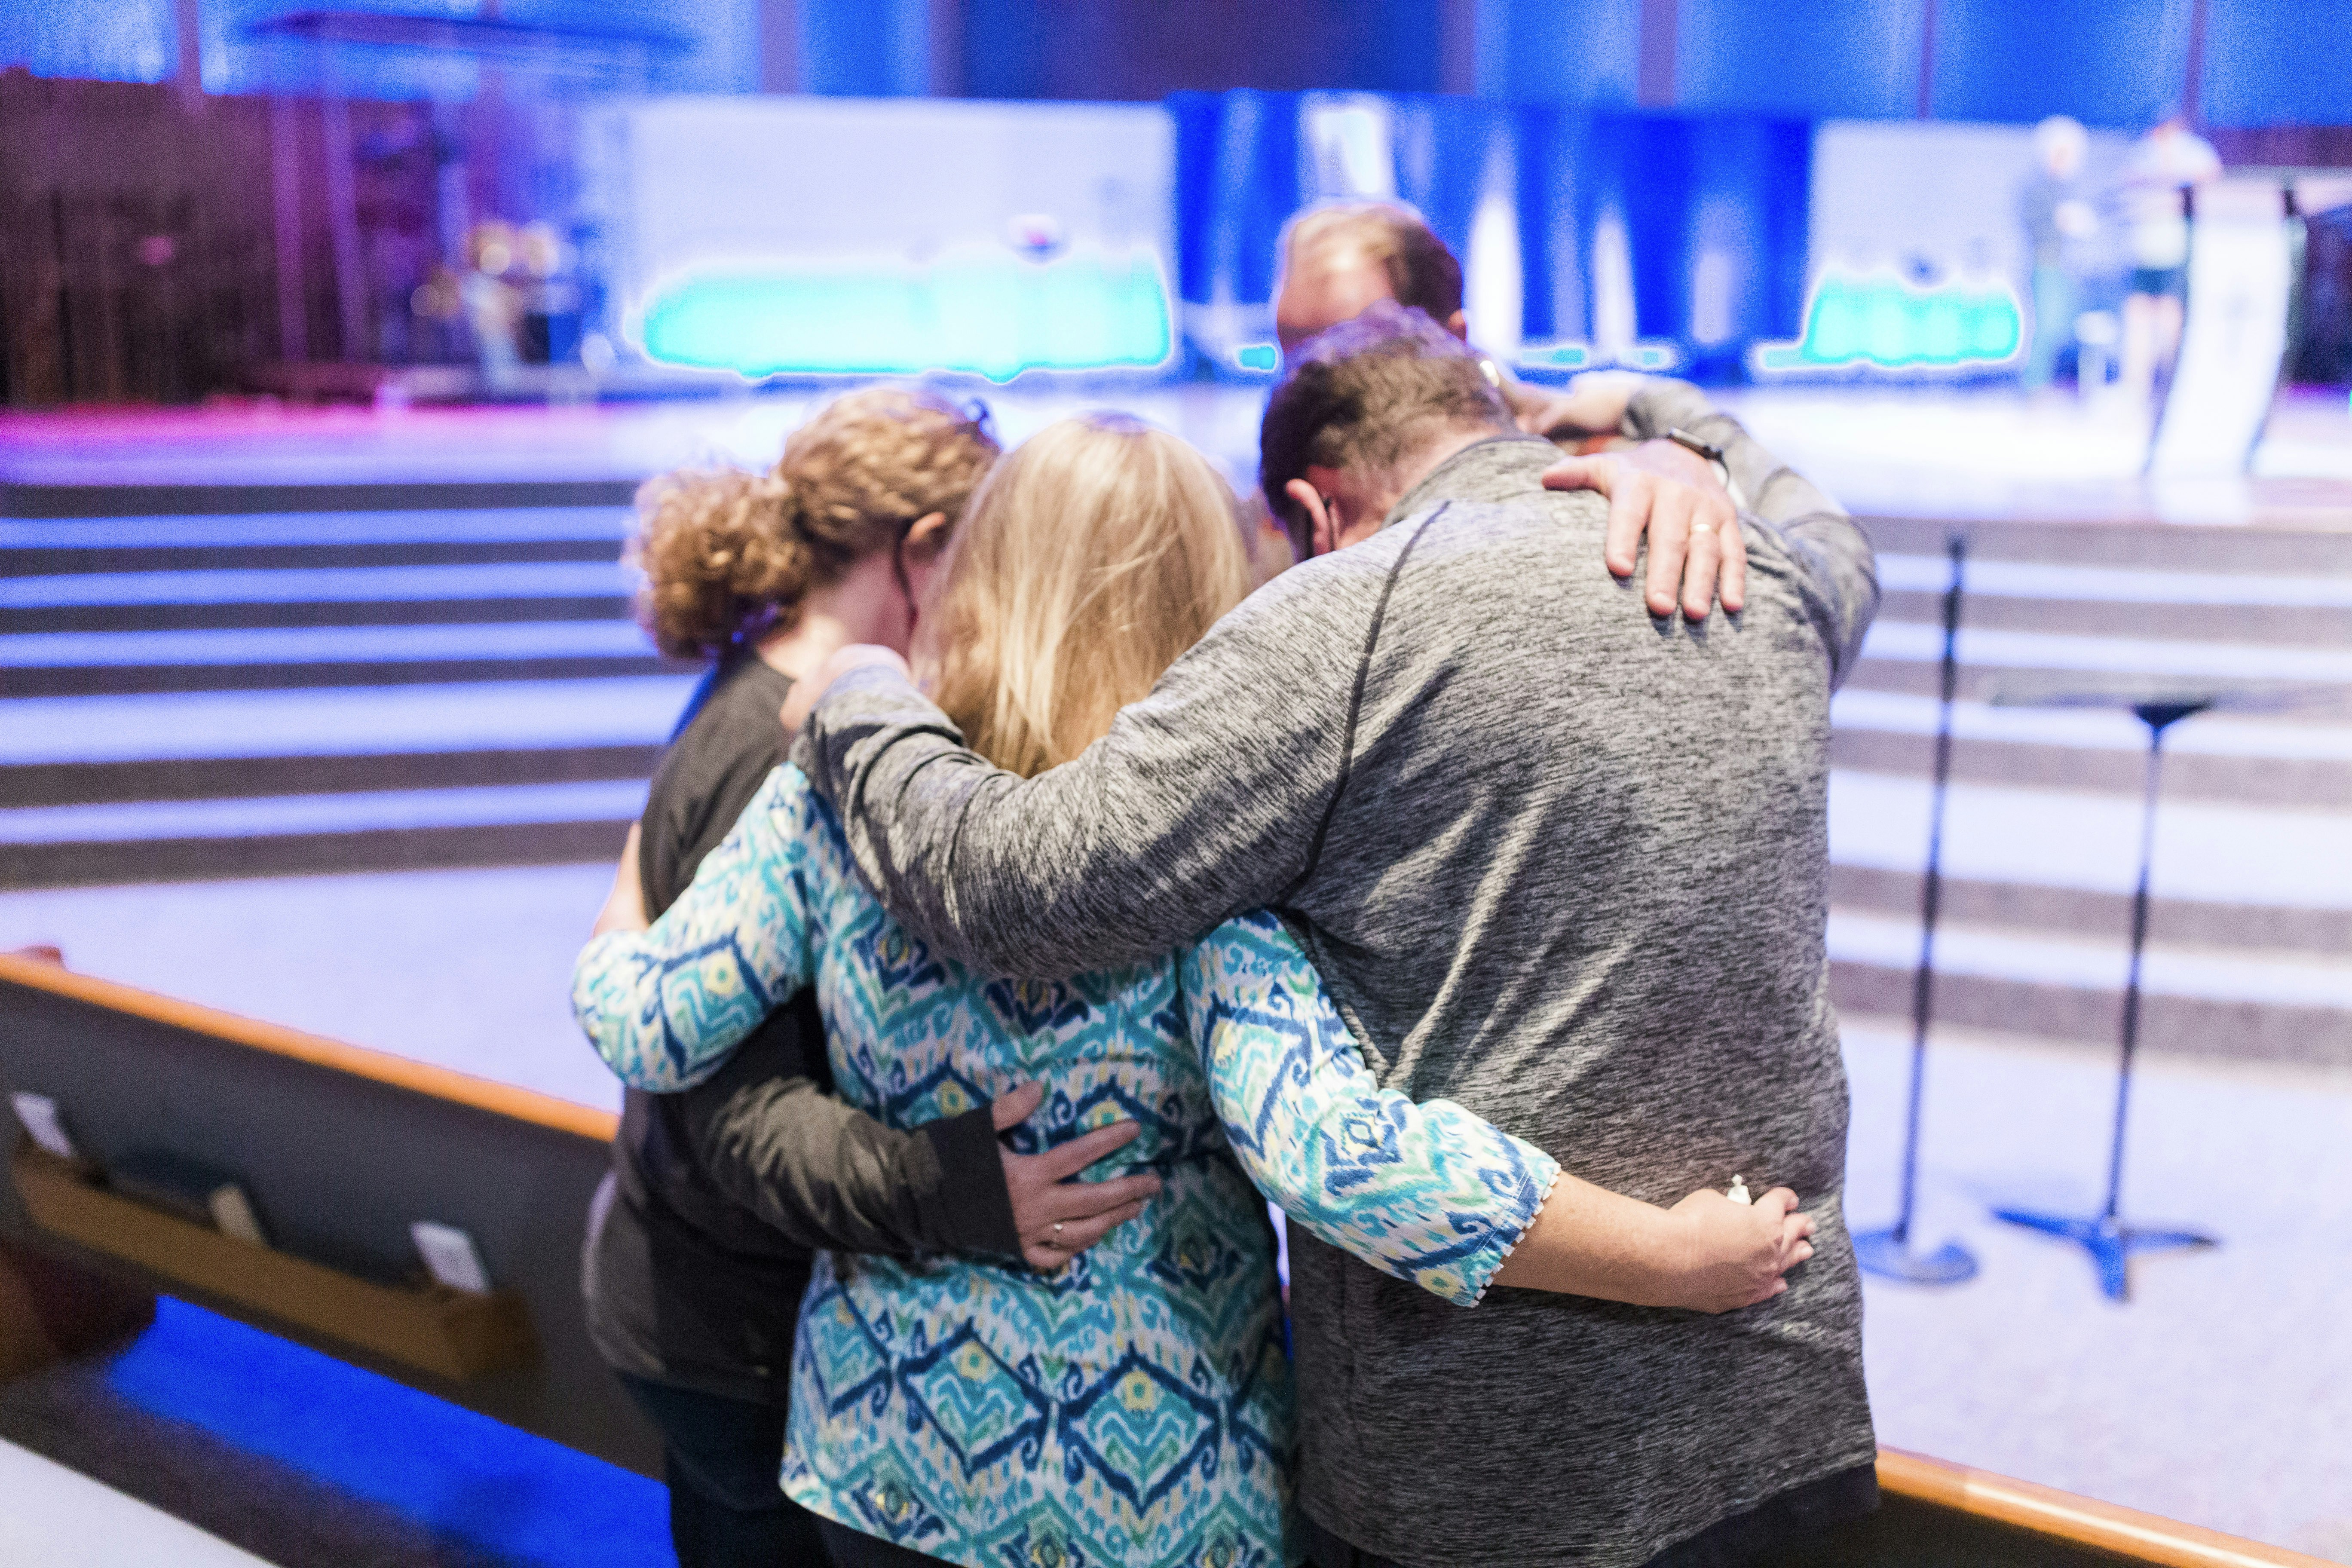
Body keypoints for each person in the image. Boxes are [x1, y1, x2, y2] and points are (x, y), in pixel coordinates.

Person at [575, 411, 1818, 1568]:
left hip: (880, 1461)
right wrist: (1669, 1255)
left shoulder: (832, 794)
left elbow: (647, 1024)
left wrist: (632, 877)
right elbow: (1336, 1155)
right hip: (1161, 1481)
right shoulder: (1215, 854)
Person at [579, 388, 1157, 1568]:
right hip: (729, 1330)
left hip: (700, 1304)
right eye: (989, 554)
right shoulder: (782, 750)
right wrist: (950, 1188)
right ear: (928, 549)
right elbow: (730, 1115)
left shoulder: (781, 692)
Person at [1271, 199, 1746, 624]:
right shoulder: (1271, 500)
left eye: (1351, 350)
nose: (1305, 388)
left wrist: (1667, 427)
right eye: (1292, 353)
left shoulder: (1605, 468)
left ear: (1451, 338)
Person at [2118, 115, 2222, 405]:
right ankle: (2135, 389)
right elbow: (2129, 184)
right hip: (2143, 250)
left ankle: (2171, 386)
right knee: (2138, 318)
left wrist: (2175, 175)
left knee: (2170, 320)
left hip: (2176, 250)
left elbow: (2212, 179)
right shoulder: (2143, 152)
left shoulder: (2195, 151)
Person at [2018, 116, 2099, 392]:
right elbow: (2035, 224)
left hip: (2064, 266)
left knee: (2060, 328)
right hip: (2045, 264)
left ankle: (2045, 384)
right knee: (2046, 329)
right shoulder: (2037, 187)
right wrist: (2060, 221)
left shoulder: (2065, 188)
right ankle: (2034, 387)